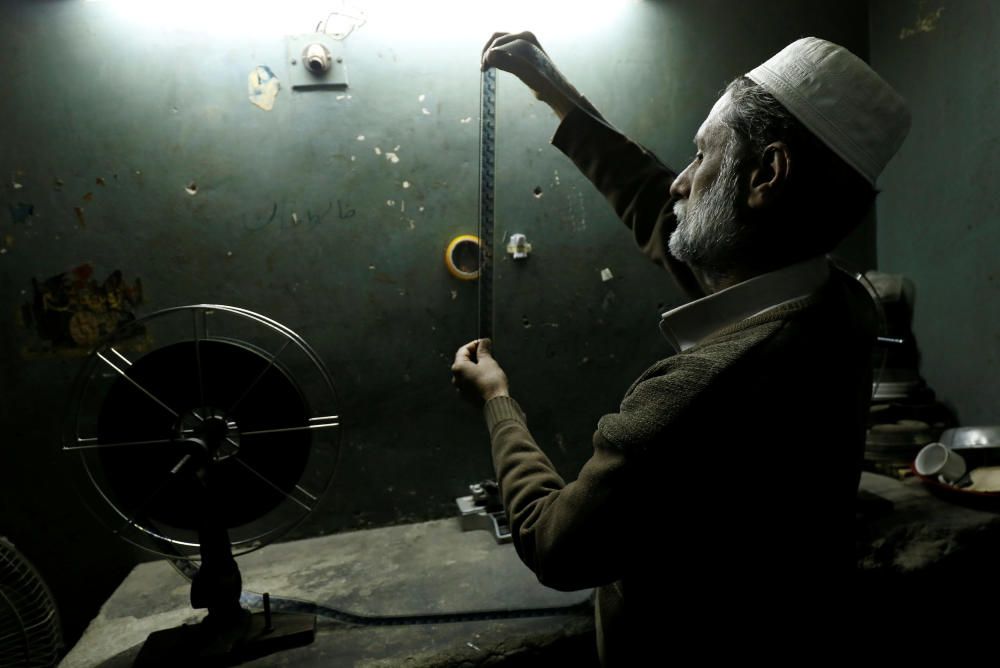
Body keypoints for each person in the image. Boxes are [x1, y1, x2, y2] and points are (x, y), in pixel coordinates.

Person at [452, 32, 910, 664]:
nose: (680, 183)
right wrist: (557, 94)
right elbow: (661, 210)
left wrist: (498, 402)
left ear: (767, 175)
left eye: (700, 156)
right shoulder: (843, 306)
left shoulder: (698, 392)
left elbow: (554, 544)